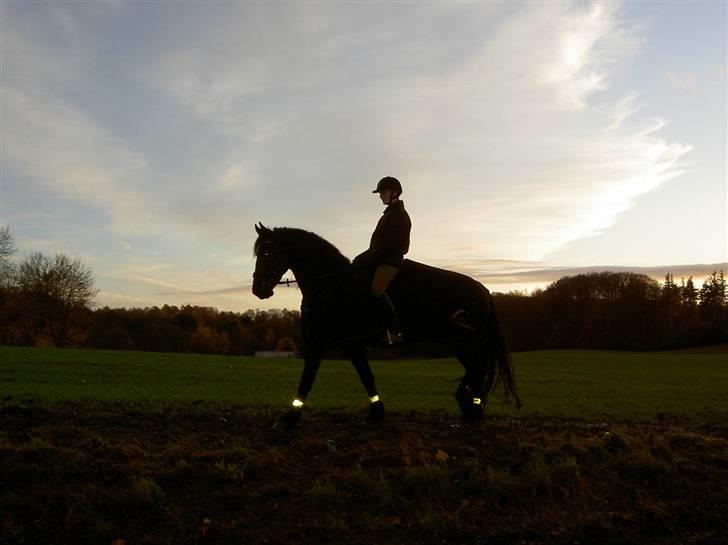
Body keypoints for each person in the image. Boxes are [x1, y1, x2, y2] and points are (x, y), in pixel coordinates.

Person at [352, 176, 412, 344]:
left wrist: (365, 257)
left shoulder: (400, 214)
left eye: (383, 192)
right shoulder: (389, 214)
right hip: (380, 259)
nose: (380, 196)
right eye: (380, 192)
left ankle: (395, 330)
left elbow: (388, 245)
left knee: (377, 289)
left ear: (394, 193)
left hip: (390, 261)